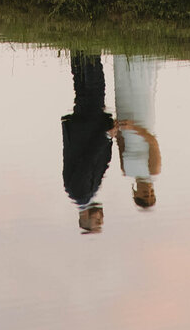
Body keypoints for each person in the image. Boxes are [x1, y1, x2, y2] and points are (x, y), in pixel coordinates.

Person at [61, 52, 114, 235]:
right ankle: (80, 47)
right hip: (85, 126)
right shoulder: (84, 193)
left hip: (88, 127)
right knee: (83, 87)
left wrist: (107, 135)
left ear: (84, 219)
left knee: (93, 85)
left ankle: (90, 49)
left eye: (96, 222)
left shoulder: (80, 193)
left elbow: (89, 160)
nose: (101, 218)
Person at [112, 54, 162, 210]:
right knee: (141, 90)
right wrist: (134, 128)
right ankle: (140, 56)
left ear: (136, 193)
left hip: (126, 125)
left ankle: (123, 56)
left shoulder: (126, 170)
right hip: (142, 123)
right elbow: (152, 141)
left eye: (145, 195)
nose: (148, 191)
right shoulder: (154, 170)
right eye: (151, 194)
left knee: (123, 89)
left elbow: (120, 144)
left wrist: (117, 129)